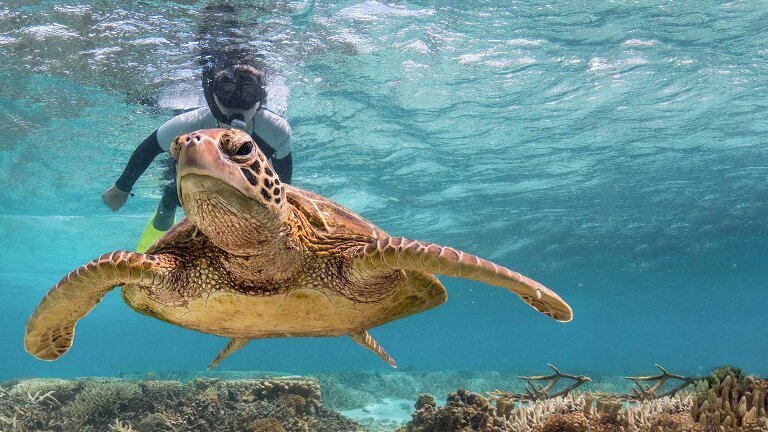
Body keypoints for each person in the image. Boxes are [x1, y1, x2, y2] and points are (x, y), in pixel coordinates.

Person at [102, 47, 292, 252]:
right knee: (171, 198)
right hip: (189, 175)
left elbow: (284, 185)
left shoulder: (275, 131)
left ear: (259, 98)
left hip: (242, 186)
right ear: (213, 94)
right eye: (226, 90)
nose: (236, 101)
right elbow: (149, 147)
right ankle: (165, 213)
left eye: (247, 92)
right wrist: (122, 187)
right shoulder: (190, 124)